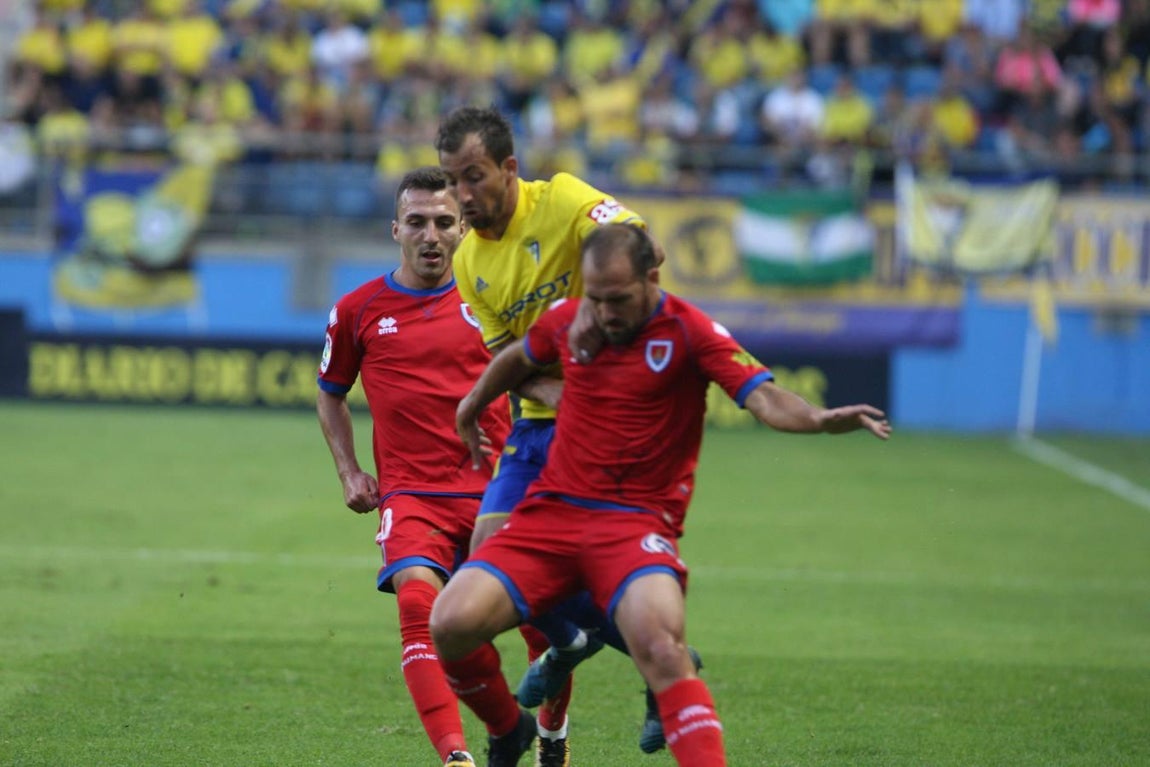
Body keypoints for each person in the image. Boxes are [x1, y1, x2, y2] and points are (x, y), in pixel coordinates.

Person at [430, 223, 892, 766]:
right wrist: (474, 400)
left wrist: (819, 418)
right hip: (550, 515)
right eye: (595, 299)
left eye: (618, 299)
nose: (604, 314)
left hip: (635, 525)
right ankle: (510, 729)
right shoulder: (573, 319)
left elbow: (764, 399)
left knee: (663, 650)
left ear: (651, 277)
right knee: (449, 624)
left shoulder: (690, 330)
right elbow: (518, 356)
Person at [435, 104, 676, 764]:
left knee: (591, 561)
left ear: (509, 169)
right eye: (453, 180)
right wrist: (566, 399)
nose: (463, 195)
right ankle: (579, 641)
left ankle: (658, 662)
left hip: (606, 428)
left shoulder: (565, 199)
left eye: (474, 177)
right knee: (488, 556)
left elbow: (642, 244)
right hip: (541, 423)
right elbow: (513, 363)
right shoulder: (468, 263)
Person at [315, 166, 511, 767]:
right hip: (414, 495)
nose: (432, 235)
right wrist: (349, 471)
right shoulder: (357, 310)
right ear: (395, 228)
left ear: (463, 228)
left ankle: (540, 734)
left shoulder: (496, 297)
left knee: (540, 627)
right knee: (416, 606)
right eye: (418, 222)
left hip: (500, 494)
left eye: (445, 222)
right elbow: (331, 391)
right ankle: (455, 756)